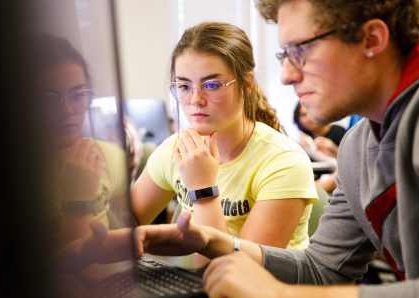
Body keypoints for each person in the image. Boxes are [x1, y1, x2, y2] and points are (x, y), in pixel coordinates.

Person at [72, 1, 419, 298]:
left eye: (301, 49)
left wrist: (277, 297)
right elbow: (322, 270)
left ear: (372, 39)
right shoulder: (360, 144)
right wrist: (212, 241)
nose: (286, 75)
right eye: (284, 55)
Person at [130, 21, 318, 258]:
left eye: (212, 85)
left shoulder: (284, 161)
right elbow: (126, 224)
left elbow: (239, 270)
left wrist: (203, 189)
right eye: (184, 86)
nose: (196, 99)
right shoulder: (175, 149)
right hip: (191, 289)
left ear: (247, 84)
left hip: (258, 292)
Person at [34, 34, 130, 248]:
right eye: (49, 98)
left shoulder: (108, 156)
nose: (67, 111)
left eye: (78, 95)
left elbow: (133, 227)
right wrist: (77, 203)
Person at [294, 101, 346, 193]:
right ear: (298, 118)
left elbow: (352, 161)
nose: (308, 118)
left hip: (336, 184)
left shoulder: (338, 132)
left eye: (310, 112)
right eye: (303, 114)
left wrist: (333, 149)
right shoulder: (303, 139)